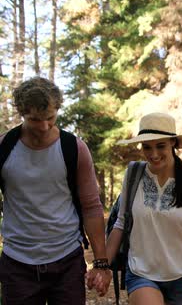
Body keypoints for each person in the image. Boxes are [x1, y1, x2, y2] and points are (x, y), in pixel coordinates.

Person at [0, 77, 111, 304]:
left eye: (50, 118)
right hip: (17, 263)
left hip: (66, 261)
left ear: (58, 109)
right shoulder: (4, 148)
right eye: (34, 120)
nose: (44, 127)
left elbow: (91, 207)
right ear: (22, 113)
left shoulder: (73, 148)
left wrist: (101, 263)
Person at [106, 112, 182, 305]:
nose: (153, 154)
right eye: (147, 147)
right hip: (141, 273)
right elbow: (121, 222)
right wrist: (102, 266)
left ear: (173, 144)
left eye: (160, 146)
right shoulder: (133, 174)